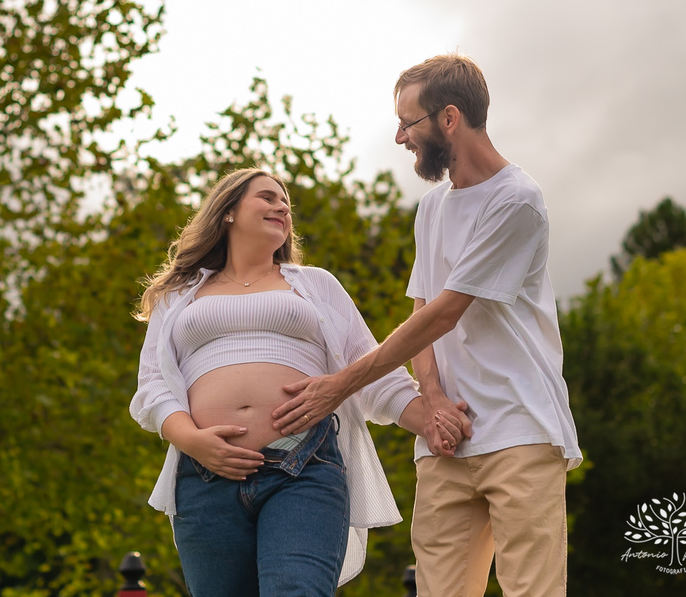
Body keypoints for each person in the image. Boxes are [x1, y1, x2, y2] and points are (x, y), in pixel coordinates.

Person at [272, 54, 582, 597]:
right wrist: (432, 399)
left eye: (407, 123)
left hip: (521, 432)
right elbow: (422, 312)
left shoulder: (517, 201)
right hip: (447, 443)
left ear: (449, 118)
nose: (400, 137)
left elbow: (446, 311)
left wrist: (340, 385)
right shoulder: (432, 208)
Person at [130, 168, 470, 597]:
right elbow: (153, 385)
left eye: (286, 203)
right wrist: (192, 440)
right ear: (228, 211)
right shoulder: (179, 294)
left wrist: (432, 420)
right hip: (205, 476)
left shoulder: (315, 285)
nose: (281, 207)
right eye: (268, 197)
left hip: (303, 467)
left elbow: (369, 372)